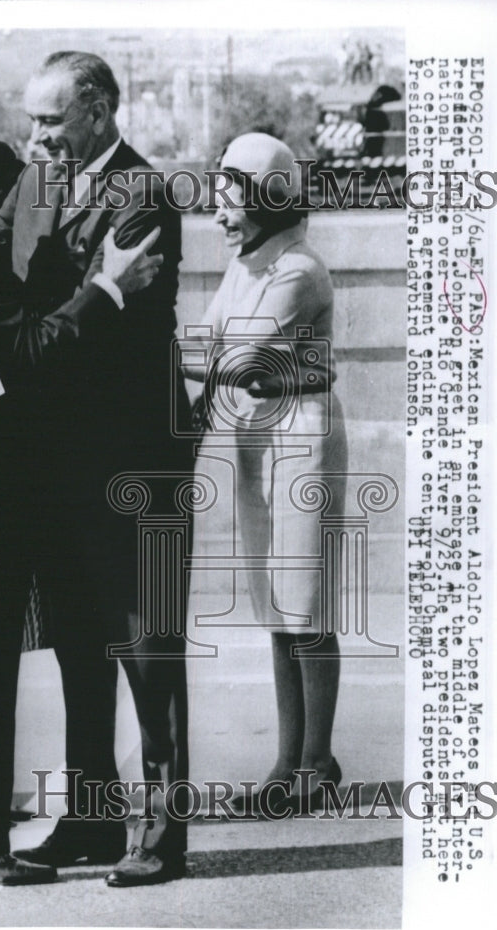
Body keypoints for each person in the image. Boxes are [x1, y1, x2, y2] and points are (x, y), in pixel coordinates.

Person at [0, 52, 193, 887]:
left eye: (50, 122)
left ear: (95, 111)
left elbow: (115, 327)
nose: (35, 137)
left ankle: (162, 830)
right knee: (80, 648)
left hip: (133, 461)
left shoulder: (144, 193)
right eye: (31, 122)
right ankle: (92, 821)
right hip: (60, 466)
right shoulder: (37, 181)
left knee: (147, 645)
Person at [182, 133, 348, 812]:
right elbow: (208, 342)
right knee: (280, 612)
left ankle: (316, 762)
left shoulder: (298, 270)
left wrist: (143, 356)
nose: (220, 216)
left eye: (231, 200)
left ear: (267, 199)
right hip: (258, 438)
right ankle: (289, 760)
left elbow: (241, 358)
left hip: (302, 438)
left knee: (307, 609)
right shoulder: (249, 263)